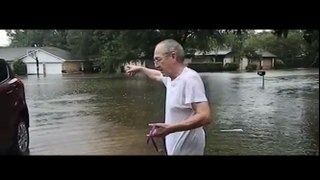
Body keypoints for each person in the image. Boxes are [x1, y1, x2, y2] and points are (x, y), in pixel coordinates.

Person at [126, 39, 211, 155]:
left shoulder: (190, 79)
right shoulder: (170, 78)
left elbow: (204, 115)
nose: (156, 65)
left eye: (158, 60)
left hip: (188, 150)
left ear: (173, 56)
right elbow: (157, 75)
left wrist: (170, 129)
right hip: (175, 150)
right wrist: (141, 69)